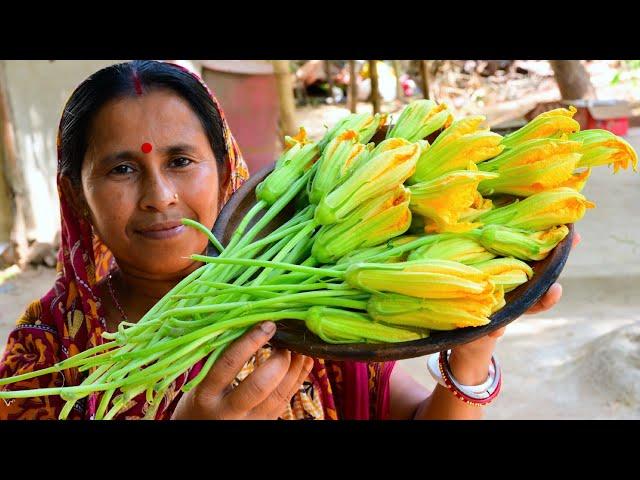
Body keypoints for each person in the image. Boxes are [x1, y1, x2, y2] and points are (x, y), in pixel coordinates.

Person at [0, 60, 577, 420]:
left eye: (181, 161)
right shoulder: (45, 354)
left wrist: (475, 350)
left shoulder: (298, 303)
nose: (159, 195)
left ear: (226, 169)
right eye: (122, 169)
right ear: (77, 196)